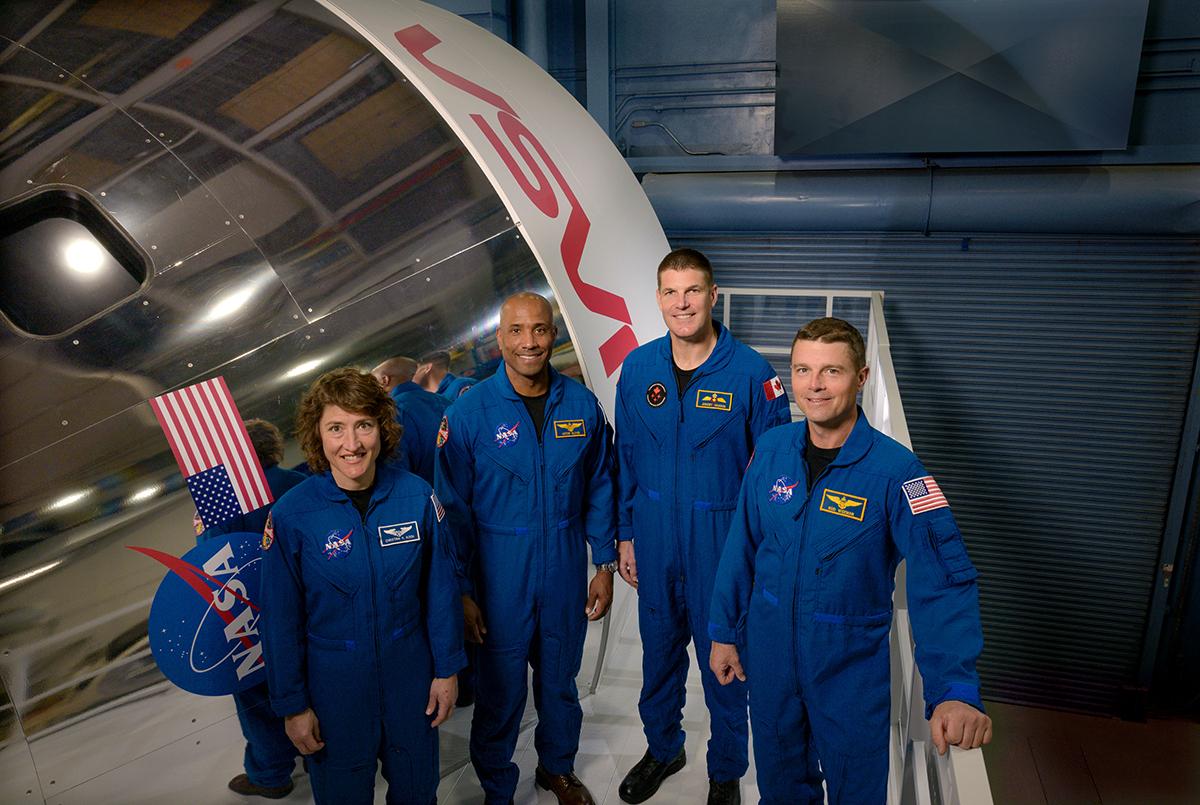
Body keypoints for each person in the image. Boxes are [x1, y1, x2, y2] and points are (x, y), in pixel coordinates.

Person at [708, 317, 992, 804]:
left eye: (831, 372)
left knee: (855, 791)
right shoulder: (772, 450)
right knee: (779, 783)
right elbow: (743, 545)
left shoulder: (898, 472)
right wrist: (724, 632)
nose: (813, 386)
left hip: (848, 667)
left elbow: (943, 580)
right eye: (802, 370)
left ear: (860, 378)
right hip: (771, 652)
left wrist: (954, 689)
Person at [614, 248, 790, 805]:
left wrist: (762, 556)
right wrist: (625, 533)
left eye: (693, 291)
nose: (682, 303)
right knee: (658, 656)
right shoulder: (638, 369)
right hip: (656, 539)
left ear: (713, 296)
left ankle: (725, 771)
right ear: (659, 299)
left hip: (722, 546)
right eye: (671, 292)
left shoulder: (752, 374)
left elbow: (773, 480)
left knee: (726, 665)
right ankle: (664, 748)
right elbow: (625, 459)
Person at [434, 292, 617, 805]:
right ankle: (497, 784)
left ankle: (556, 769)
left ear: (553, 333)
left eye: (539, 329)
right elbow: (449, 508)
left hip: (562, 565)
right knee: (499, 690)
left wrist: (602, 563)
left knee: (560, 680)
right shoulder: (469, 413)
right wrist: (464, 591)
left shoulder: (580, 404)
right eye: (517, 331)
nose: (529, 342)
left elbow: (601, 484)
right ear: (500, 338)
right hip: (497, 575)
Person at [259, 368, 465, 805]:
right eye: (336, 428)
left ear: (381, 428)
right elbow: (279, 620)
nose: (351, 445)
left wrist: (446, 670)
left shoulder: (416, 496)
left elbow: (441, 592)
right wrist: (293, 705)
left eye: (363, 426)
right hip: (334, 686)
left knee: (416, 791)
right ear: (317, 434)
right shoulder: (292, 515)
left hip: (409, 674)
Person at [198, 418, 305, 800]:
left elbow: (209, 558)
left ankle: (271, 773)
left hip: (250, 614)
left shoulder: (220, 500)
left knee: (255, 695)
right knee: (310, 682)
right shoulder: (300, 484)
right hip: (307, 609)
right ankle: (318, 752)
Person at [371, 355, 451, 485]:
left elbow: (396, 476)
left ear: (384, 380)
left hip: (429, 498)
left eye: (372, 383)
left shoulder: (392, 413)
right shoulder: (444, 401)